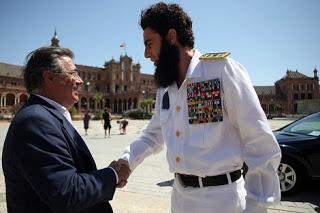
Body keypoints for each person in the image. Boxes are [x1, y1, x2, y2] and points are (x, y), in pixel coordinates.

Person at [117, 2, 281, 213]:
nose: (147, 54)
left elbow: (260, 143)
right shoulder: (165, 89)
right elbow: (152, 136)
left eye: (149, 44)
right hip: (180, 201)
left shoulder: (220, 71)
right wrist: (126, 161)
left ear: (171, 37)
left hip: (224, 203)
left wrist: (256, 207)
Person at [2, 46, 130, 213]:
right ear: (49, 78)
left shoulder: (47, 116)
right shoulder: (35, 121)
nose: (80, 81)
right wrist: (113, 175)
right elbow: (66, 194)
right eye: (73, 73)